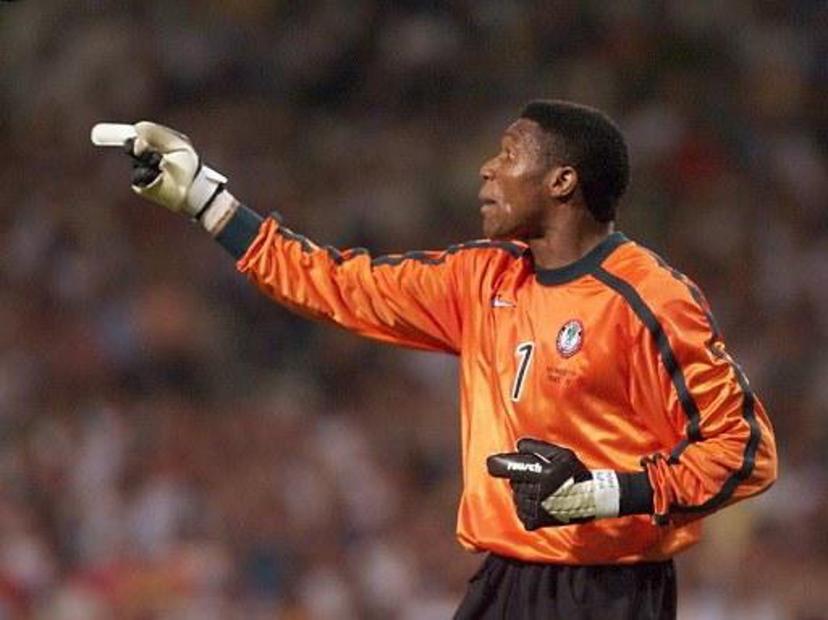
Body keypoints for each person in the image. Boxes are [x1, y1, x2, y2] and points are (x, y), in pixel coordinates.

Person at [94, 100, 778, 619]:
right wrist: (205, 200)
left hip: (608, 588)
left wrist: (604, 491)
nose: (487, 168)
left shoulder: (647, 296)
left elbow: (745, 450)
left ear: (562, 181)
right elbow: (333, 282)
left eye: (509, 155)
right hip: (504, 576)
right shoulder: (480, 280)